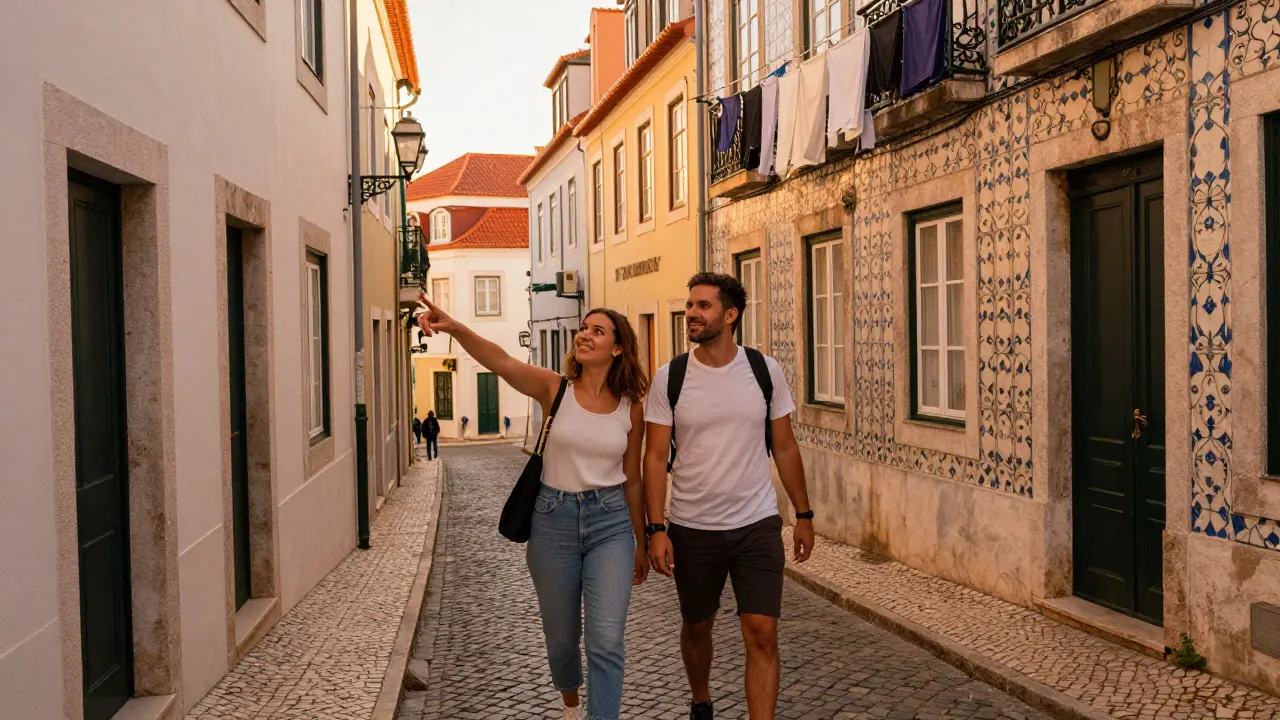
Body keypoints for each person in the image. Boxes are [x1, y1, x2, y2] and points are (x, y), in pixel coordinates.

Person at [417, 296, 650, 720]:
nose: (585, 334)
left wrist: (643, 539)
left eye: (598, 330)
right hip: (552, 521)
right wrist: (455, 328)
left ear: (618, 348)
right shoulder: (554, 387)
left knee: (607, 639)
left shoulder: (631, 405)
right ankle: (570, 701)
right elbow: (502, 361)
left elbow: (632, 478)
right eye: (584, 327)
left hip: (611, 523)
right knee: (561, 638)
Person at [642, 273, 814, 720]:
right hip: (692, 526)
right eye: (690, 305)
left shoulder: (763, 370)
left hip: (756, 524)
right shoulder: (671, 377)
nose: (691, 314)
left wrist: (804, 512)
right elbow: (655, 455)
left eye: (702, 306)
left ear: (730, 315)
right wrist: (656, 528)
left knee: (761, 633)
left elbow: (785, 445)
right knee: (698, 627)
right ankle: (701, 701)